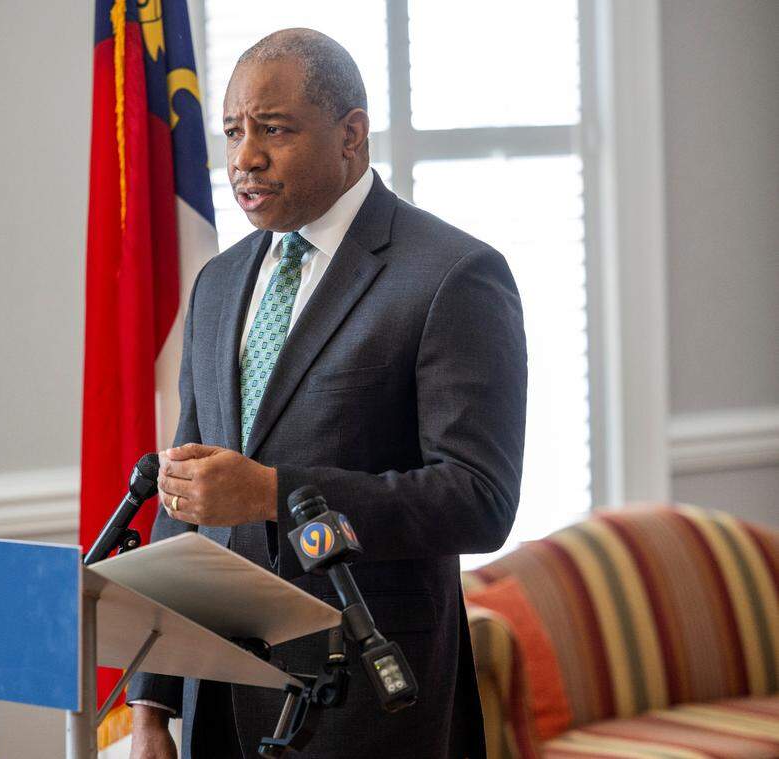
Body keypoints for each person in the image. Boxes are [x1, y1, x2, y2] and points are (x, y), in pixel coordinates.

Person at [127, 27, 527, 758]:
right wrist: (152, 702)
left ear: (351, 135)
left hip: (365, 703)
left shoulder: (451, 275)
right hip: (214, 699)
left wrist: (276, 492)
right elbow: (184, 490)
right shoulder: (218, 283)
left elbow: (478, 499)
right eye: (233, 131)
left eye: (273, 130)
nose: (244, 156)